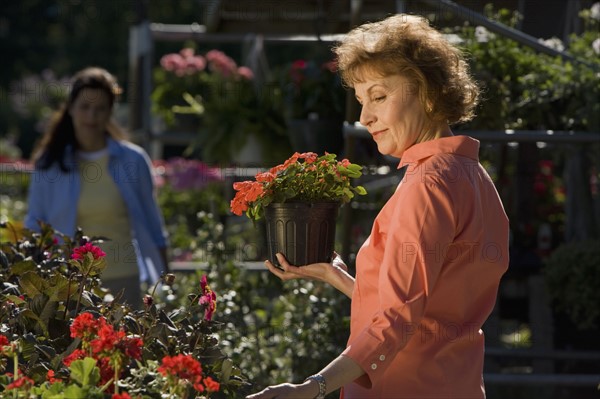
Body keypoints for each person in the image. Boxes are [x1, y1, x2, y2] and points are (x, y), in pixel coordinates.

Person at [247, 14, 509, 399]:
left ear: (429, 94)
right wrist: (338, 277)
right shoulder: (471, 174)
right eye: (360, 100)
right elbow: (426, 311)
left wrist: (309, 388)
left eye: (379, 96)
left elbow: (398, 318)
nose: (364, 117)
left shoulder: (428, 183)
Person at [25, 67, 170, 308]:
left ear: (110, 112)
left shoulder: (133, 160)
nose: (92, 116)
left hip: (124, 280)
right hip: (69, 283)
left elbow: (154, 226)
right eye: (85, 107)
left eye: (100, 108)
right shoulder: (49, 164)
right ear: (70, 108)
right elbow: (34, 223)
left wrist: (167, 284)